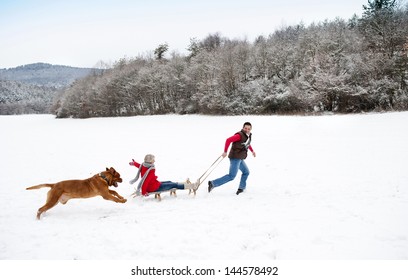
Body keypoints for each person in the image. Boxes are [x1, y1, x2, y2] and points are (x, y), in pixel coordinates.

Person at [208, 122, 256, 195]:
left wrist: (252, 151)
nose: (247, 130)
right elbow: (228, 140)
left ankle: (241, 188)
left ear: (250, 129)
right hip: (235, 158)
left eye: (249, 129)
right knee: (231, 176)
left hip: (240, 158)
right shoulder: (239, 135)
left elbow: (247, 144)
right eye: (245, 128)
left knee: (246, 172)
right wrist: (225, 151)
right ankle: (213, 183)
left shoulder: (247, 136)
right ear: (243, 128)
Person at [129, 154, 198, 196]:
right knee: (173, 185)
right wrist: (144, 192)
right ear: (150, 161)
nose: (154, 161)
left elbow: (139, 165)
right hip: (153, 188)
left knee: (170, 182)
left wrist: (134, 163)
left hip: (154, 184)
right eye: (153, 160)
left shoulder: (144, 165)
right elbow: (145, 181)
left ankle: (185, 184)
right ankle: (193, 186)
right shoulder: (151, 169)